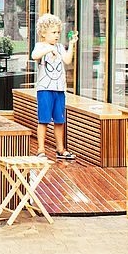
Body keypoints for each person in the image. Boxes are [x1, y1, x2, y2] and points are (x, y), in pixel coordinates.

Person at [30, 13, 78, 160]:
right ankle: (41, 149)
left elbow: (68, 60)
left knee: (59, 120)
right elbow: (35, 55)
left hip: (59, 89)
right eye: (53, 32)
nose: (57, 35)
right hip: (45, 89)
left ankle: (60, 148)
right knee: (43, 119)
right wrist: (49, 50)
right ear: (43, 33)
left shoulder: (59, 47)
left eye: (58, 32)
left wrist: (71, 45)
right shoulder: (40, 46)